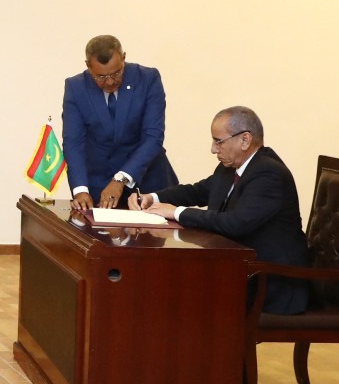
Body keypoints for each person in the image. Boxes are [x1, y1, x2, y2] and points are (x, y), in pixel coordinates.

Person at [131, 106, 309, 314]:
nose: (213, 149)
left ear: (244, 140)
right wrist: (152, 197)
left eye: (218, 141)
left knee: (181, 291)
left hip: (272, 282)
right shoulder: (233, 167)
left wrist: (176, 212)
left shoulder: (269, 174)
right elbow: (197, 191)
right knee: (171, 282)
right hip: (242, 271)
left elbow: (235, 223)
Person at [62, 34, 176, 210]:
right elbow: (74, 142)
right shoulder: (76, 87)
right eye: (100, 77)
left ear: (123, 58)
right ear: (88, 66)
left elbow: (153, 136)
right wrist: (80, 189)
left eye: (116, 73)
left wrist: (121, 179)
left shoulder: (147, 79)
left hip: (147, 180)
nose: (110, 82)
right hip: (99, 183)